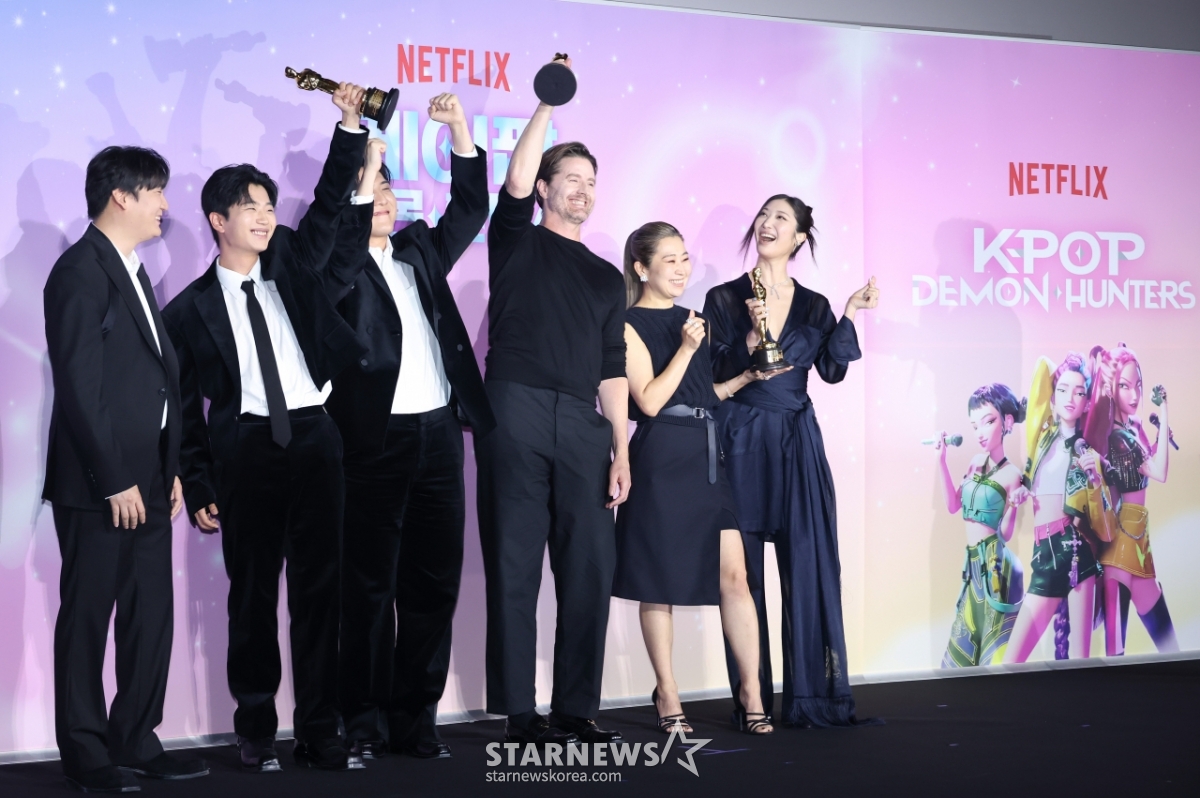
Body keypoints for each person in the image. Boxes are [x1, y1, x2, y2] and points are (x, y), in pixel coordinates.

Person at [162, 84, 371, 772]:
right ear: (217, 220)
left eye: (269, 206)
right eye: (249, 207)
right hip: (247, 449)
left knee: (321, 593)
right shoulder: (188, 311)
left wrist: (348, 125)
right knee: (251, 597)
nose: (264, 216)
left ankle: (320, 727)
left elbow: (332, 202)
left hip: (315, 439)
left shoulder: (293, 265)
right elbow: (186, 413)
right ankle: (254, 727)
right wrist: (198, 483)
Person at [322, 94, 494, 760]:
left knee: (433, 584)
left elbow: (470, 210)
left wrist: (459, 131)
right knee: (368, 588)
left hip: (440, 436)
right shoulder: (334, 270)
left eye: (391, 188)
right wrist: (363, 164)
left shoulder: (418, 249)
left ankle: (415, 717)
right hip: (373, 441)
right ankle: (361, 722)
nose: (385, 199)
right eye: (373, 190)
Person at [44, 146, 208, 793]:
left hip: (150, 479)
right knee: (87, 618)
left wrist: (170, 467)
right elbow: (80, 386)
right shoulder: (79, 272)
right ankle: (85, 751)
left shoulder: (133, 269)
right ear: (121, 196)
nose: (165, 204)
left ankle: (136, 738)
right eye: (156, 191)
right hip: (100, 485)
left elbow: (154, 382)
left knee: (149, 616)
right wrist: (113, 477)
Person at [476, 56, 629, 746]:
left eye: (591, 182)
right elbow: (512, 178)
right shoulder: (515, 239)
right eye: (571, 178)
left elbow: (612, 366)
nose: (583, 190)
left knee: (589, 568)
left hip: (584, 424)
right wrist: (548, 104)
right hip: (515, 408)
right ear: (543, 189)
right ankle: (519, 711)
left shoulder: (606, 277)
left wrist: (621, 448)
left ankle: (575, 708)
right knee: (514, 562)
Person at [703, 194, 879, 728]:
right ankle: (752, 699)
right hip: (740, 437)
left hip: (797, 443)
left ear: (800, 236)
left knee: (806, 566)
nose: (767, 223)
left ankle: (812, 699)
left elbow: (832, 371)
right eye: (764, 214)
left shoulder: (814, 305)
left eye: (780, 217)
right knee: (742, 576)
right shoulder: (723, 297)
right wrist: (749, 338)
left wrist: (849, 313)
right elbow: (710, 369)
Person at [613, 222, 776, 735]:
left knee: (736, 577)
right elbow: (650, 401)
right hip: (662, 459)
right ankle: (667, 691)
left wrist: (747, 371)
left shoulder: (695, 320)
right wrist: (685, 348)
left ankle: (751, 693)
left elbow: (705, 395)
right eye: (670, 259)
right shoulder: (626, 324)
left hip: (708, 456)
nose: (682, 268)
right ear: (641, 268)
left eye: (685, 258)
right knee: (658, 582)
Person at [1003, 354, 1115, 663]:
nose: (1070, 398)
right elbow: (1043, 367)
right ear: (1052, 398)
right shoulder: (1041, 441)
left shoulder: (1087, 451)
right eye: (1063, 390)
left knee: (1081, 663)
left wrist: (1095, 480)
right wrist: (1021, 492)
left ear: (1087, 403)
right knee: (1010, 663)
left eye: (1079, 392)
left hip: (1076, 552)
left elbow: (1105, 526)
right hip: (1043, 555)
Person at [1089, 343, 1178, 655]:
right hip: (1120, 547)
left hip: (1139, 544)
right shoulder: (1116, 438)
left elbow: (1152, 467)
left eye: (1137, 385)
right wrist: (1164, 411)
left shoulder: (1134, 427)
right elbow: (1158, 471)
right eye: (1125, 386)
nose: (1135, 394)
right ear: (1110, 389)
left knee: (1170, 650)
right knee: (1118, 655)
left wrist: (1162, 425)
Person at [934, 384, 1026, 667]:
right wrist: (941, 461)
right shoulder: (974, 463)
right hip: (972, 566)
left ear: (1007, 421)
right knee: (958, 656)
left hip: (996, 567)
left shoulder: (1012, 475)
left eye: (988, 422)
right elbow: (953, 505)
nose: (980, 432)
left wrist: (1014, 505)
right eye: (975, 426)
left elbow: (1006, 534)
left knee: (991, 655)